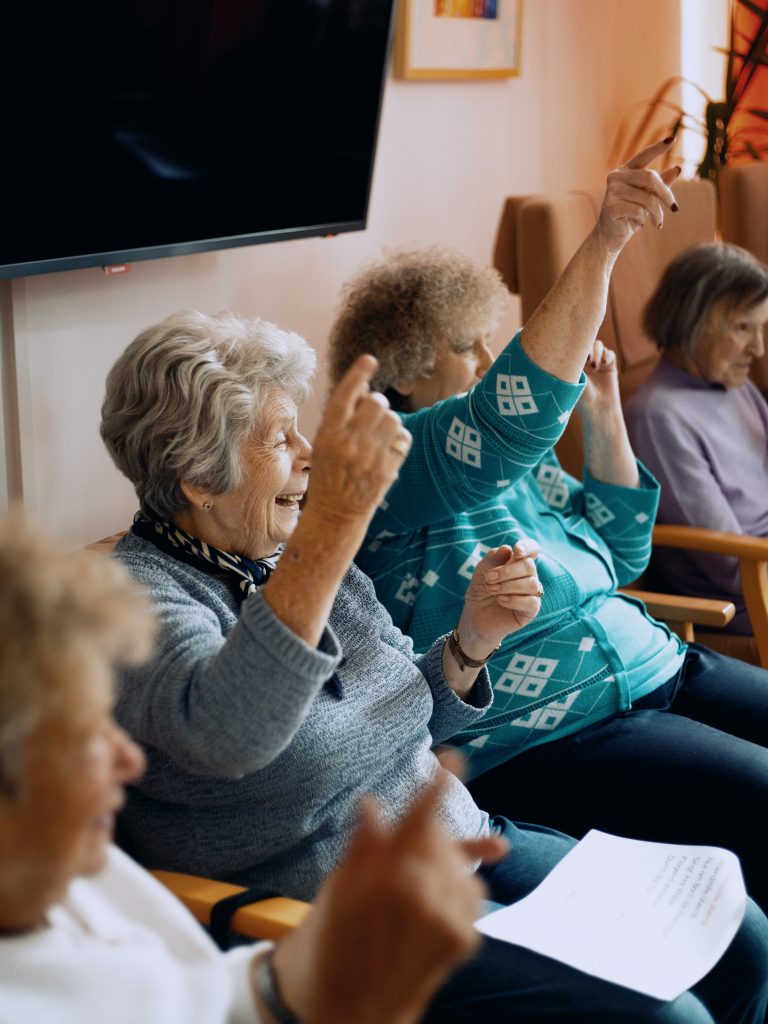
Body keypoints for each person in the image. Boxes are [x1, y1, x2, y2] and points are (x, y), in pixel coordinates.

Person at [98, 137, 768, 1020]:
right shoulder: (143, 600)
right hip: (342, 908)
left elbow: (410, 711)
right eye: (279, 438)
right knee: (665, 1013)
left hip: (466, 840)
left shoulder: (290, 549)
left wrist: (466, 648)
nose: (309, 455)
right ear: (195, 475)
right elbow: (233, 731)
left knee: (742, 938)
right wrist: (335, 523)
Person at [328, 190, 768, 918]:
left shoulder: (522, 469)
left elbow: (623, 554)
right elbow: (502, 420)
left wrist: (602, 414)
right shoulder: (384, 468)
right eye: (465, 343)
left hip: (661, 662)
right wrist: (604, 242)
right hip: (556, 734)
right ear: (403, 373)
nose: (484, 357)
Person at [0, 512, 503, 1024]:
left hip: (450, 841)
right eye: (84, 733)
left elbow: (214, 995)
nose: (129, 761)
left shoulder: (91, 882)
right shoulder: (167, 606)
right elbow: (235, 737)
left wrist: (471, 645)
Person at [624, 242, 768, 633]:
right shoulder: (659, 416)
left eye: (761, 328)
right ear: (691, 323)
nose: (758, 348)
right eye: (742, 328)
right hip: (750, 597)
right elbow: (732, 567)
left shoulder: (731, 381)